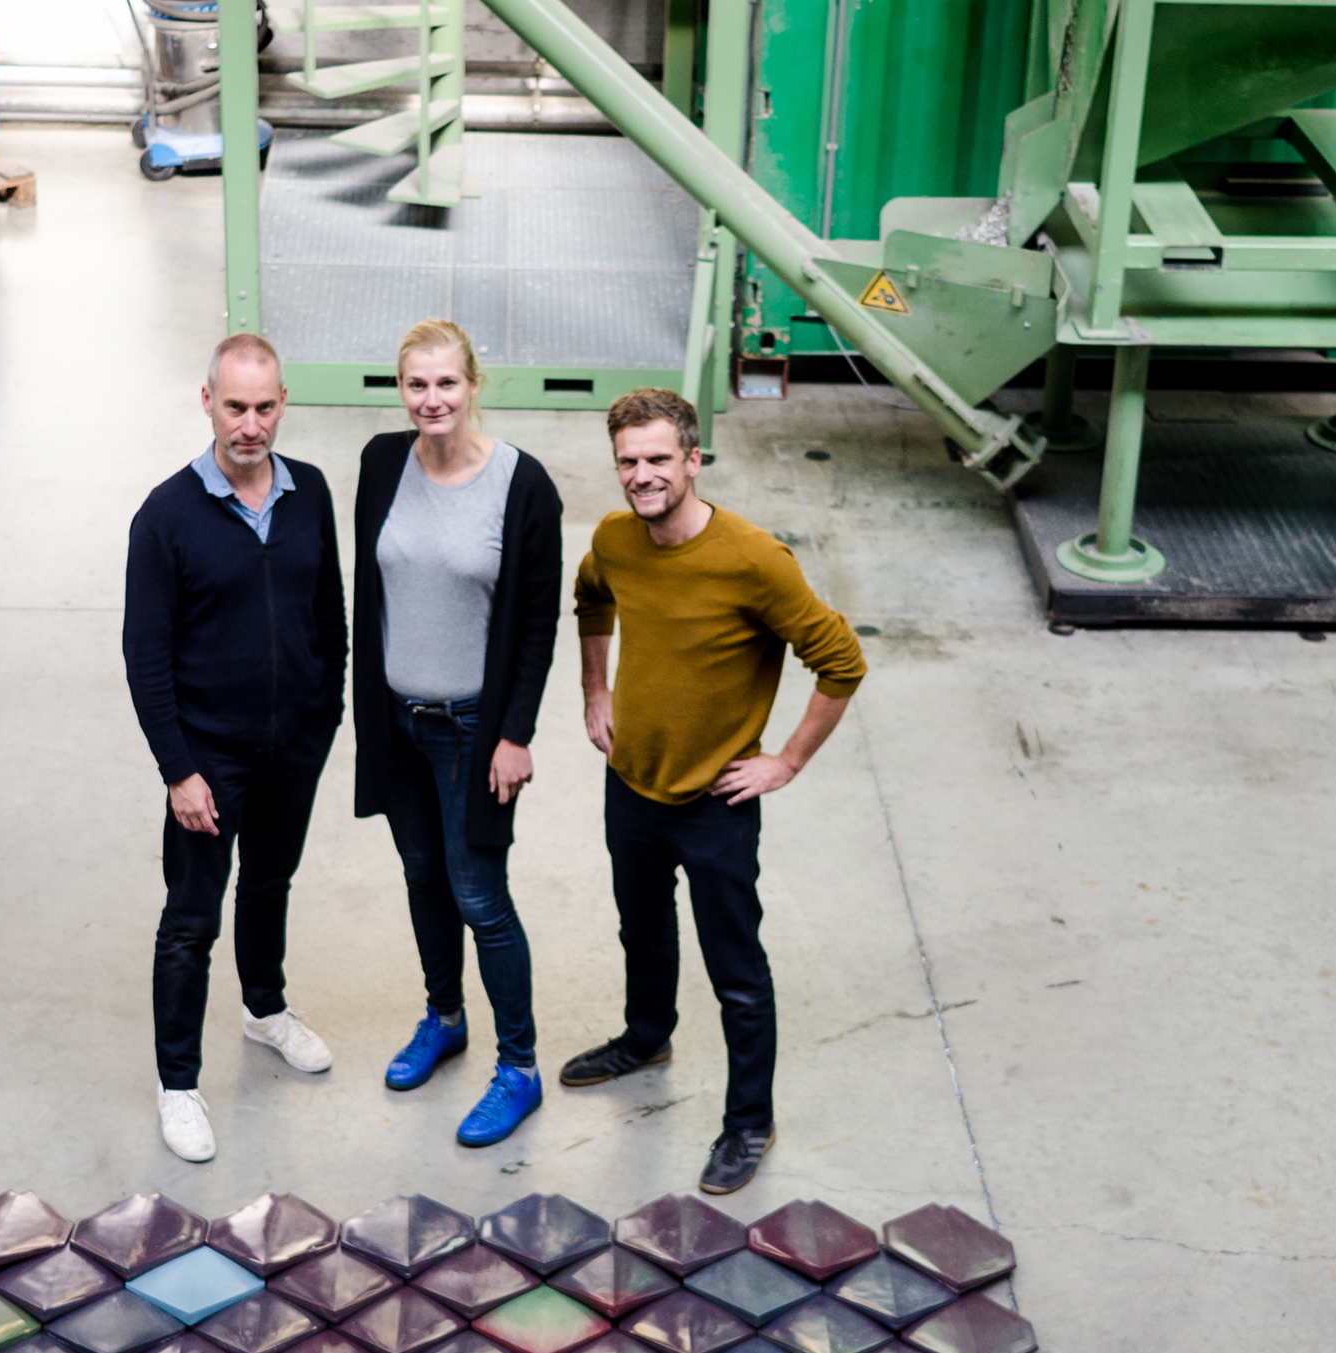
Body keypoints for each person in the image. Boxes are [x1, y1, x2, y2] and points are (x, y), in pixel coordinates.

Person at [565, 386, 866, 1195]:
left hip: (716, 805)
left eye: (659, 459)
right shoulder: (615, 540)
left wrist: (786, 762)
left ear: (694, 460)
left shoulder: (755, 560)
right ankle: (645, 1038)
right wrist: (596, 690)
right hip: (632, 784)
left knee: (736, 971)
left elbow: (842, 662)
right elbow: (591, 597)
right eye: (628, 461)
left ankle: (749, 1122)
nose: (642, 475)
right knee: (642, 930)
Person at [122, 332, 347, 1164]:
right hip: (208, 758)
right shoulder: (166, 516)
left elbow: (330, 613)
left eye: (264, 407)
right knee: (191, 919)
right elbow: (145, 657)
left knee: (270, 884)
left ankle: (264, 1009)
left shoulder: (310, 492)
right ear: (207, 402)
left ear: (283, 404)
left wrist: (325, 714)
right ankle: (178, 1084)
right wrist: (179, 770)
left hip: (294, 745)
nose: (250, 425)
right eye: (234, 407)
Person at [350, 319, 565, 1148]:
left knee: (480, 896)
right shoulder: (381, 462)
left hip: (474, 731)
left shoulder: (522, 484)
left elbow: (537, 623)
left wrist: (515, 733)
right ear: (401, 389)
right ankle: (444, 1018)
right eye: (417, 384)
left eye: (446, 383)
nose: (431, 399)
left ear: (474, 385)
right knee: (422, 876)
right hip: (397, 721)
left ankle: (520, 1068)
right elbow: (370, 590)